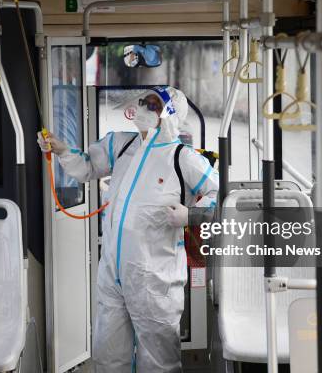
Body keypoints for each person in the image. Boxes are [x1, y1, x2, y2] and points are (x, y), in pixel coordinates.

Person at [37, 86, 218, 372]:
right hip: (112, 273)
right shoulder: (121, 145)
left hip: (155, 279)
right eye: (145, 101)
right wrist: (61, 150)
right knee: (108, 354)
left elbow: (221, 195)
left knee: (158, 360)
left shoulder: (182, 158)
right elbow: (87, 167)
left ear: (170, 115)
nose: (145, 107)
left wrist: (192, 215)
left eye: (155, 105)